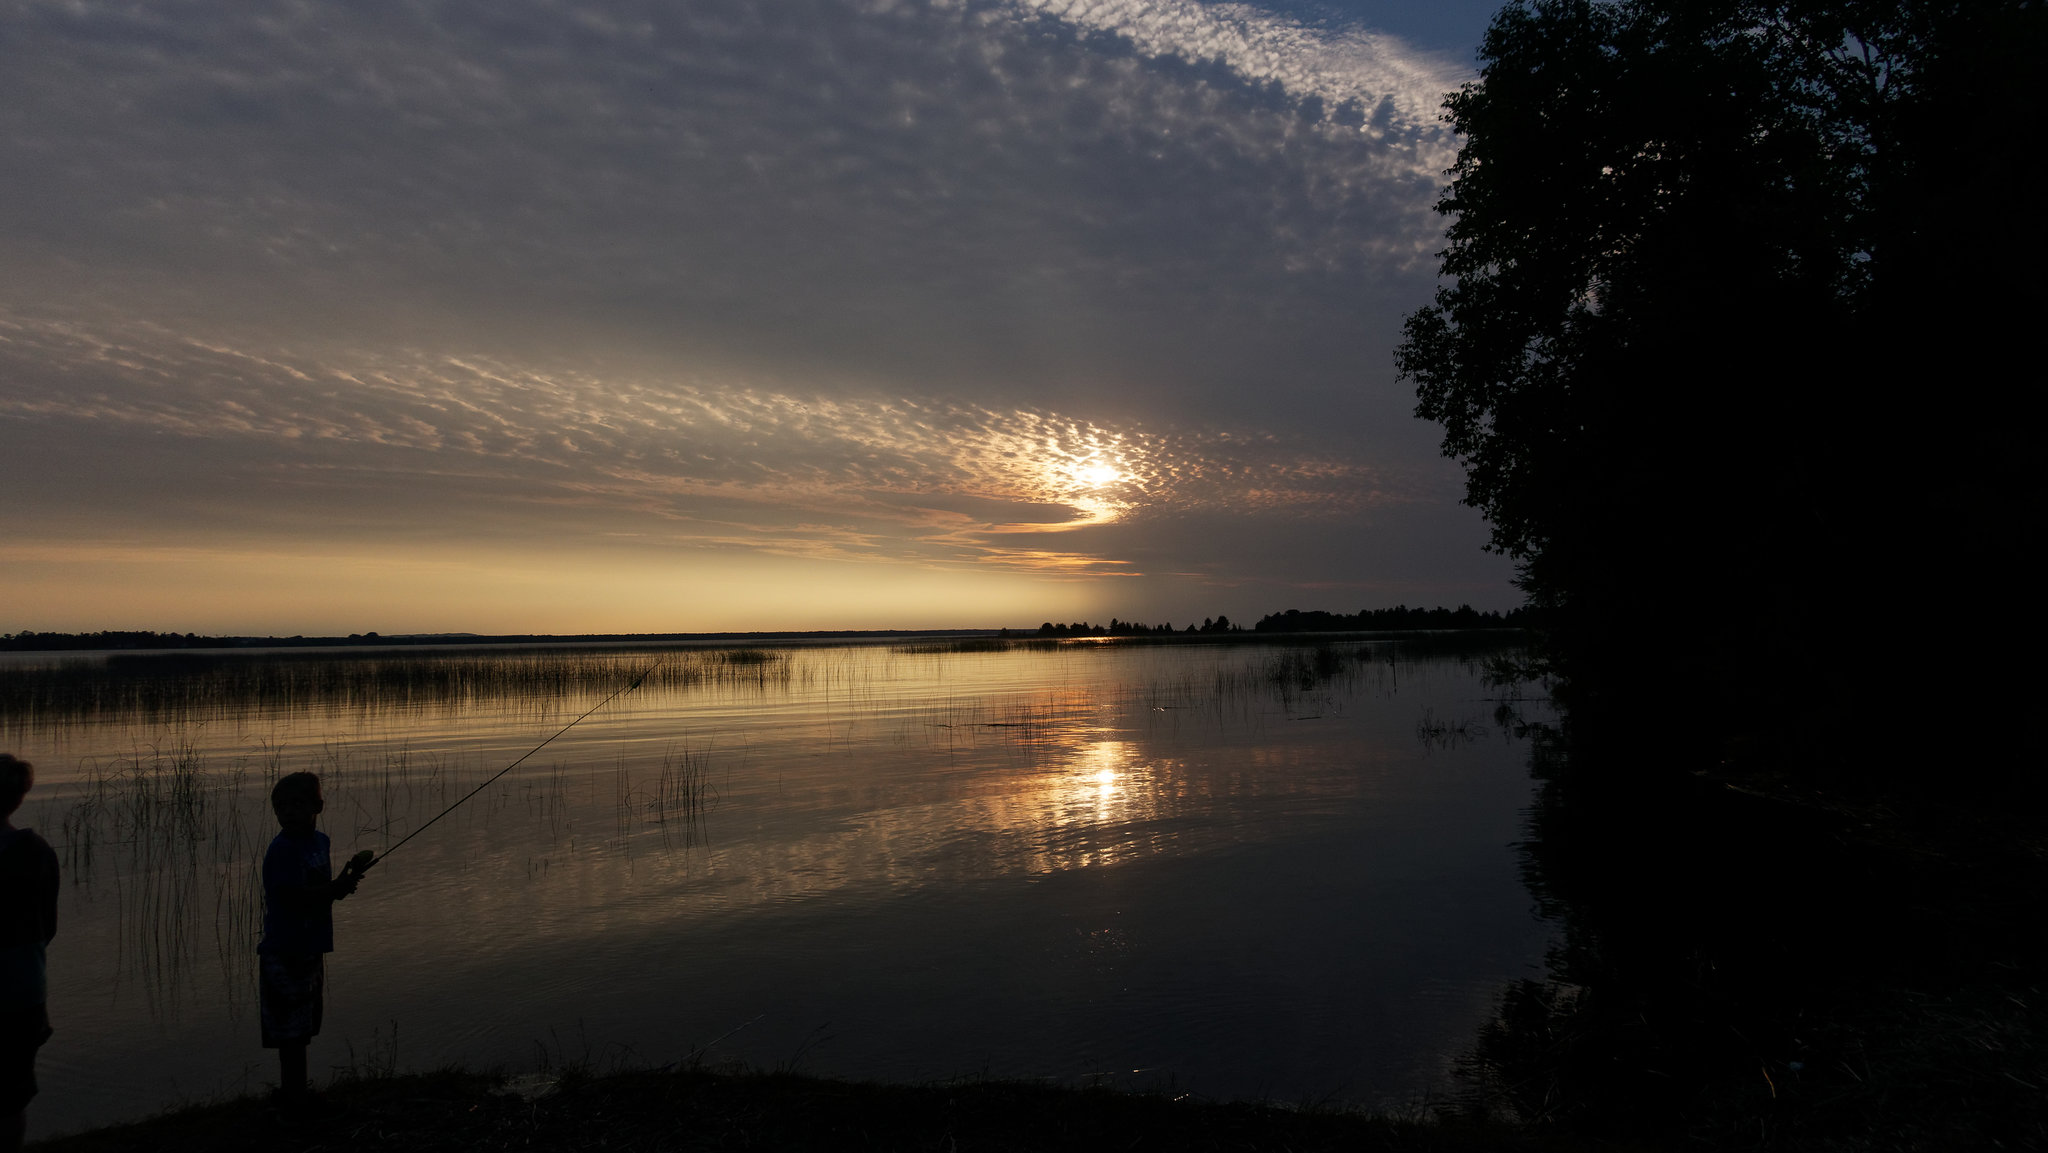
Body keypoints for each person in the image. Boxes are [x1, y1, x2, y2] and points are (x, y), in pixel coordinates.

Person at [258, 772, 370, 1113]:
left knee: (302, 1027)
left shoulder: (320, 842)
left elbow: (318, 891)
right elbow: (292, 897)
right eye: (281, 806)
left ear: (317, 806)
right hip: (284, 951)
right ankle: (293, 1099)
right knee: (289, 1032)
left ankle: (296, 1093)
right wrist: (331, 891)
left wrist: (340, 885)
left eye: (297, 804)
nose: (288, 812)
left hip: (309, 947)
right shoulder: (281, 851)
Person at [0, 754, 57, 1153]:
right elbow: (47, 926)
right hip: (23, 987)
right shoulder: (36, 851)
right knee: (10, 1096)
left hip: (17, 988)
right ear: (19, 798)